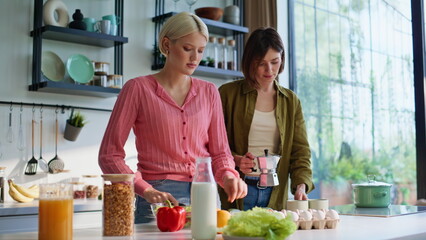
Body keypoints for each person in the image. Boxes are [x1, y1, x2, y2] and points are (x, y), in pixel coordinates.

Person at [98, 12, 247, 223]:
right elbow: (109, 155)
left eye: (200, 51)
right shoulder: (138, 89)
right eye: (187, 49)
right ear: (167, 45)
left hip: (206, 195)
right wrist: (145, 190)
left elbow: (220, 153)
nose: (195, 58)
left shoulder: (210, 92)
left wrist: (229, 176)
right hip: (157, 200)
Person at [218, 27, 314, 211]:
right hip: (239, 190)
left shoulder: (291, 101)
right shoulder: (227, 94)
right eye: (261, 63)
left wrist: (301, 184)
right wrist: (236, 160)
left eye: (275, 62)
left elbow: (300, 150)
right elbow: (211, 145)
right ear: (249, 62)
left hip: (275, 192)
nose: (269, 70)